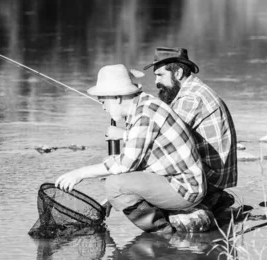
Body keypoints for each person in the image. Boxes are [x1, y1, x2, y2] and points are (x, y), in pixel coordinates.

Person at [55, 64, 207, 233]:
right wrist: (111, 198)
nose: (103, 107)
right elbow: (133, 162)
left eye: (103, 100)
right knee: (114, 178)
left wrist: (79, 173)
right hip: (178, 182)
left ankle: (162, 232)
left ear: (117, 98)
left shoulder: (144, 114)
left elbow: (124, 165)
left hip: (185, 190)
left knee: (114, 183)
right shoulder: (143, 106)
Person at [144, 47, 238, 220]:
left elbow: (164, 139)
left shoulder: (190, 98)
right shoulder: (192, 90)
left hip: (210, 178)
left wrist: (123, 135)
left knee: (141, 178)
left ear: (178, 73)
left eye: (160, 75)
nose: (156, 82)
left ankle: (162, 229)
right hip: (215, 174)